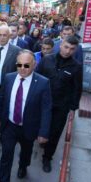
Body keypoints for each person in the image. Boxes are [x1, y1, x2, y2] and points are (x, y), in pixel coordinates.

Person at [0, 50, 52, 182]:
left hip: (28, 127)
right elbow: (2, 100)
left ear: (34, 65)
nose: (22, 68)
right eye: (19, 65)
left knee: (26, 151)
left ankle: (23, 166)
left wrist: (43, 132)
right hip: (10, 125)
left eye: (26, 65)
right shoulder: (9, 78)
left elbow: (46, 109)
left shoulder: (43, 83)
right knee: (6, 154)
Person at [37, 35, 82, 173]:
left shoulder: (76, 67)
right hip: (42, 104)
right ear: (61, 45)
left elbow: (77, 88)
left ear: (75, 50)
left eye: (72, 49)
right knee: (37, 127)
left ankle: (47, 158)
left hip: (61, 106)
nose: (68, 51)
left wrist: (73, 108)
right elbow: (36, 78)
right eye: (66, 47)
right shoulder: (47, 60)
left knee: (55, 133)